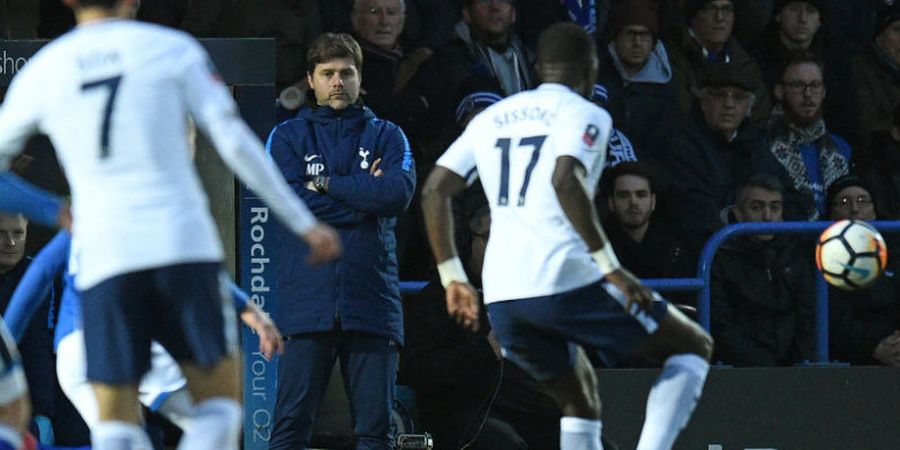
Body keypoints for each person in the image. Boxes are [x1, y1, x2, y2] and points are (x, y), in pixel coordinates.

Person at [0, 1, 342, 449]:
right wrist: (302, 222)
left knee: (116, 426)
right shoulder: (171, 49)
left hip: (107, 257)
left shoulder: (46, 68)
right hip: (182, 246)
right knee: (219, 410)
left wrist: (53, 210)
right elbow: (235, 139)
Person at [422, 22, 713, 450]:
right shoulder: (587, 113)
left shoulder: (494, 117)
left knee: (579, 402)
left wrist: (452, 276)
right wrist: (611, 268)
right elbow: (565, 181)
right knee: (692, 346)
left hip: (502, 296)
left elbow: (434, 191)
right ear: (591, 69)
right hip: (558, 280)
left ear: (539, 68)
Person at [265, 32, 415, 450]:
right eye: (327, 73)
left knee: (375, 433)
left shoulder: (389, 135)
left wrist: (325, 185)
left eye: (346, 73)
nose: (337, 82)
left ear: (359, 79)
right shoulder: (287, 137)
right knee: (290, 429)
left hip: (372, 304)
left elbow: (395, 195)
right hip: (305, 306)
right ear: (310, 81)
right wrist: (364, 199)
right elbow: (292, 208)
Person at [3, 230, 283, 435]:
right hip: (118, 340)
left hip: (72, 354)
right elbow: (200, 270)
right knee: (214, 421)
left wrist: (5, 350)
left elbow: (38, 274)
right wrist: (251, 312)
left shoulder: (84, 212)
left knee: (125, 437)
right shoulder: (151, 211)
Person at [651, 63, 788, 256]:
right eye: (720, 95)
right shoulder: (679, 144)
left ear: (749, 105)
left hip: (758, 254)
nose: (729, 104)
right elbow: (694, 213)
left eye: (738, 97)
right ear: (702, 100)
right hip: (705, 255)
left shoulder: (754, 142)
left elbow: (790, 198)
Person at [710, 174, 816, 367]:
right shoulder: (719, 256)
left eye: (775, 207)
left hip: (796, 370)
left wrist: (797, 364)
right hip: (741, 372)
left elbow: (808, 319)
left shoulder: (797, 255)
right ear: (739, 213)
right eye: (757, 208)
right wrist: (765, 366)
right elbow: (721, 325)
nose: (767, 217)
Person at [0, 214, 63, 444]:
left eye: (17, 233)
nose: (11, 243)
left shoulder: (37, 274)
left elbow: (37, 346)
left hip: (22, 397)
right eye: (1, 234)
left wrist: (42, 413)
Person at [824, 175, 900, 366]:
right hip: (850, 362)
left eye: (862, 200)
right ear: (831, 214)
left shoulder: (895, 253)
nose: (855, 209)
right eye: (843, 202)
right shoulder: (821, 257)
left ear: (874, 210)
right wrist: (872, 347)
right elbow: (834, 318)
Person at [768, 51, 852, 220]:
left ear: (823, 92)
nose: (807, 94)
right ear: (780, 91)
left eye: (814, 85)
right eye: (798, 85)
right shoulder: (763, 145)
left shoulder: (841, 148)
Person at [666, 0, 772, 126]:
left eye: (727, 9)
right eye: (710, 8)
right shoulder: (671, 57)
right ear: (693, 15)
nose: (719, 17)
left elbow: (761, 115)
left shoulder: (744, 62)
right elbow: (680, 111)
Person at [597, 0, 681, 154]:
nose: (637, 43)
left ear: (653, 42)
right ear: (615, 38)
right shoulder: (596, 77)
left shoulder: (668, 90)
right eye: (630, 34)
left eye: (644, 35)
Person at [601, 162, 694, 282]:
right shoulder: (598, 247)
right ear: (611, 203)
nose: (633, 202)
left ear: (653, 201)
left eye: (641, 195)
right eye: (624, 195)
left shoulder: (675, 250)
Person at [438, 0, 536, 99]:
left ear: (513, 14)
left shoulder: (533, 60)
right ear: (467, 13)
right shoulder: (448, 63)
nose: (494, 7)